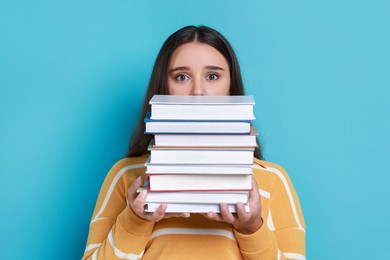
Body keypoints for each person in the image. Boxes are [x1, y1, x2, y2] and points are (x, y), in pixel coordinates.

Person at [82, 25, 305, 260]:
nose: (198, 91)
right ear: (163, 87)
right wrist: (135, 220)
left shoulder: (273, 181)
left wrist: (251, 229)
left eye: (212, 76)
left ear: (231, 87)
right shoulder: (126, 176)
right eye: (181, 76)